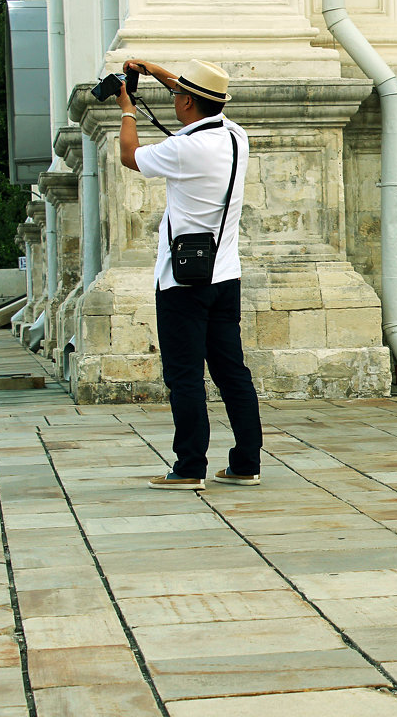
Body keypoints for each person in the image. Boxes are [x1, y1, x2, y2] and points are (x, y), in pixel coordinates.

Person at [117, 59, 263, 491]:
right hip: (225, 275)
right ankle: (245, 463)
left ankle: (189, 466)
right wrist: (154, 70)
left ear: (184, 102)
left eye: (178, 93)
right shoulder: (236, 136)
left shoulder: (184, 149)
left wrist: (127, 108)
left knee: (183, 374)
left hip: (183, 281)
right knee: (231, 371)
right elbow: (201, 98)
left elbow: (129, 156)